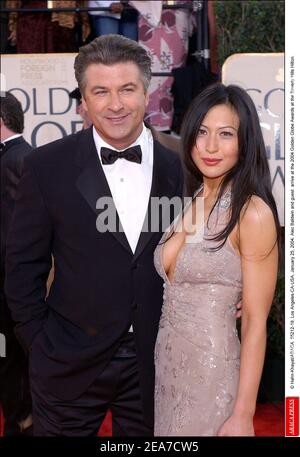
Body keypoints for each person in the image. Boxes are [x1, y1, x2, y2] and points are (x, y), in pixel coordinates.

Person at [5, 34, 183, 436]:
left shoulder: (181, 165)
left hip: (156, 361)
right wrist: (40, 343)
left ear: (147, 92)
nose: (115, 104)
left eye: (127, 89)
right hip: (67, 359)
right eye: (100, 91)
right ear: (83, 99)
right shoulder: (47, 166)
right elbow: (21, 267)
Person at [154, 83, 280, 436]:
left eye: (225, 134)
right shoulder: (191, 200)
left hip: (213, 371)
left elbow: (255, 321)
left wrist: (243, 413)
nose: (210, 146)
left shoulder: (252, 212)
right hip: (167, 370)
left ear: (245, 142)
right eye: (203, 133)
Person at [0, 93, 33, 436]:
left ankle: (21, 426)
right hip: (15, 287)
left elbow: (15, 235)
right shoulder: (24, 157)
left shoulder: (17, 161)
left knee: (14, 362)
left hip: (13, 290)